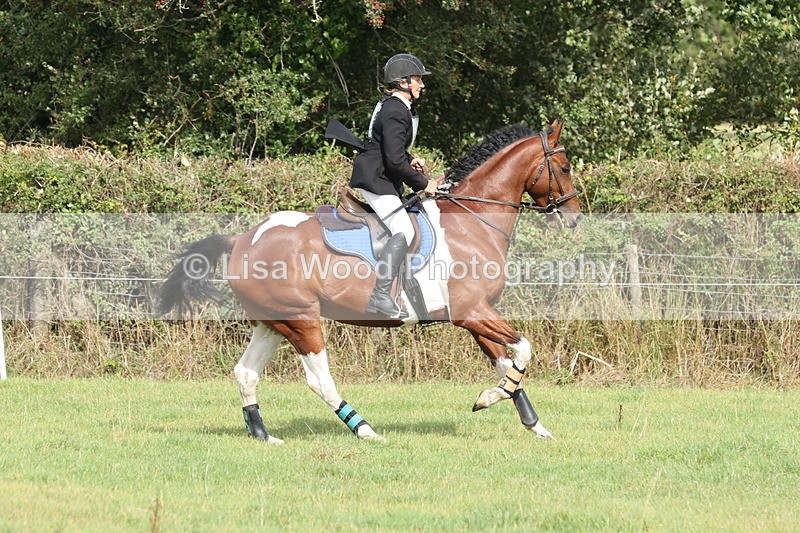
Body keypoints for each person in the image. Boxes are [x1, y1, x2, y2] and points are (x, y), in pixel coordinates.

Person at [349, 53, 439, 319]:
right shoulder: (396, 110)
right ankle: (379, 297)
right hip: (376, 178)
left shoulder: (395, 107)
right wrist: (424, 184)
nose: (422, 85)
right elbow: (393, 159)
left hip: (382, 174)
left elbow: (393, 151)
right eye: (418, 79)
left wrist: (412, 160)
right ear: (403, 82)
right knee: (403, 230)